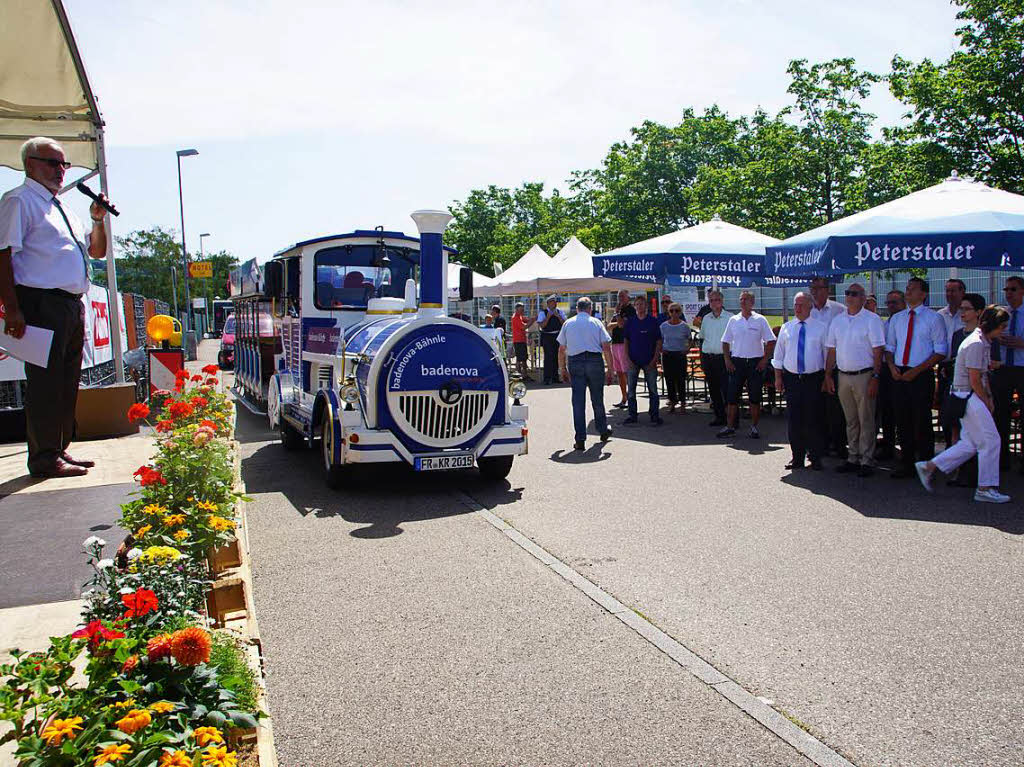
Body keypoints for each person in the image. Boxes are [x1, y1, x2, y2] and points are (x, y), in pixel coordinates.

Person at [0, 138, 110, 478]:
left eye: (64, 165)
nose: (61, 171)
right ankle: (44, 457)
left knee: (66, 382)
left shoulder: (59, 207)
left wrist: (97, 219)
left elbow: (97, 252)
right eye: (52, 163)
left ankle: (59, 448)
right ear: (29, 164)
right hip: (40, 301)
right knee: (45, 383)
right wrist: (13, 308)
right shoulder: (20, 201)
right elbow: (4, 254)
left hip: (70, 304)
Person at [914, 305, 1011, 503]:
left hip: (966, 396)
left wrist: (988, 398)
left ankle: (929, 466)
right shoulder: (976, 343)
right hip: (968, 396)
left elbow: (980, 377)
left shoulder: (980, 341)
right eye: (1002, 327)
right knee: (991, 441)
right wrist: (988, 401)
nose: (1003, 331)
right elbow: (976, 380)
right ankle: (985, 488)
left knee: (970, 443)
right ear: (994, 325)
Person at [885, 277, 947, 479]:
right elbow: (890, 348)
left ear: (924, 293)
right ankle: (907, 462)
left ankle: (926, 464)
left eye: (912, 289)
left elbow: (940, 351)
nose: (908, 292)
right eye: (907, 288)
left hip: (920, 374)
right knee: (902, 420)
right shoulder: (897, 318)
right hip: (899, 373)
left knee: (922, 420)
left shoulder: (933, 318)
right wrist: (893, 367)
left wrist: (917, 370)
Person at [825, 283, 886, 477]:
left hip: (864, 375)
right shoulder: (838, 320)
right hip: (843, 375)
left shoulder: (872, 320)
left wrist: (876, 377)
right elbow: (831, 350)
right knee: (850, 420)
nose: (849, 297)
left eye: (854, 294)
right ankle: (853, 456)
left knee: (866, 419)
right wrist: (827, 375)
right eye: (847, 293)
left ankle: (866, 459)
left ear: (863, 297)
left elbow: (878, 351)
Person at [773, 292, 827, 471]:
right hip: (792, 378)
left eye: (802, 304)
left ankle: (815, 457)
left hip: (813, 378)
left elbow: (827, 357)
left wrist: (827, 378)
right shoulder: (787, 328)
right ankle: (797, 457)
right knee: (794, 419)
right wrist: (778, 377)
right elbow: (778, 355)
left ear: (810, 306)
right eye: (795, 304)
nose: (797, 308)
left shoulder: (821, 328)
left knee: (813, 418)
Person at [557, 297, 614, 450]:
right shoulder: (596, 322)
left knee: (578, 402)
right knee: (597, 399)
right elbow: (606, 347)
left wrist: (562, 368)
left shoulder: (568, 323)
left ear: (577, 309)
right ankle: (602, 430)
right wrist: (611, 369)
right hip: (595, 361)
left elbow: (561, 349)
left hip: (575, 361)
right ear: (590, 309)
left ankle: (580, 439)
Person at [942, 293, 987, 487]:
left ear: (978, 312)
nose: (962, 312)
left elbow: (986, 365)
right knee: (955, 431)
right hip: (957, 388)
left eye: (967, 309)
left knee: (975, 434)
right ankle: (957, 471)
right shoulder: (957, 335)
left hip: (974, 391)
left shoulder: (981, 337)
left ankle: (974, 474)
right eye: (961, 309)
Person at [718, 290, 775, 439]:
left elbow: (771, 341)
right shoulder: (733, 320)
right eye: (741, 299)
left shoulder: (760, 320)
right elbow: (725, 341)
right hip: (737, 362)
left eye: (746, 299)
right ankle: (730, 427)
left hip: (755, 362)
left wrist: (764, 360)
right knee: (732, 397)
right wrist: (727, 360)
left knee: (754, 397)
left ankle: (754, 428)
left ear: (753, 302)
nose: (743, 302)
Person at [809, 277, 848, 458]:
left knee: (836, 411)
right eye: (812, 288)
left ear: (827, 290)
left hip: (835, 367)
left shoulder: (840, 311)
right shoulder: (807, 311)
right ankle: (820, 445)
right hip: (814, 368)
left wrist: (829, 373)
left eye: (819, 288)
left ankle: (839, 446)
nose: (815, 291)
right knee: (816, 410)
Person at [991, 275, 1024, 472]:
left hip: (1022, 367)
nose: (1009, 293)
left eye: (1013, 289)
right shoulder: (1003, 314)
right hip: (1003, 368)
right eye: (1006, 290)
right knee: (1000, 414)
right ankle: (1002, 459)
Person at [876, 289, 906, 460]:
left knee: (902, 410)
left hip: (903, 369)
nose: (890, 306)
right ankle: (888, 445)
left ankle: (906, 445)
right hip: (886, 369)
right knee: (886, 409)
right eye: (888, 303)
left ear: (903, 303)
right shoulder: (885, 324)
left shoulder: (908, 321)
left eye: (894, 302)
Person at [623, 295, 663, 425]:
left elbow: (658, 341)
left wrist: (655, 359)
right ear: (635, 307)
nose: (640, 307)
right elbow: (626, 341)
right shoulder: (630, 322)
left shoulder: (653, 321)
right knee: (631, 391)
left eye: (642, 304)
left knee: (653, 390)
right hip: (633, 361)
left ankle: (654, 415)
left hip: (649, 360)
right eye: (637, 304)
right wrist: (627, 358)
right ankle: (632, 415)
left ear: (646, 306)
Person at [936, 278, 966, 446]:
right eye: (947, 291)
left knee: (961, 412)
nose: (949, 294)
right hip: (945, 367)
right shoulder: (940, 315)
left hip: (964, 368)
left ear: (962, 292)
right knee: (945, 410)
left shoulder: (967, 314)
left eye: (953, 291)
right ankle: (950, 446)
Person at [697, 290, 729, 426]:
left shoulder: (730, 318)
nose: (714, 303)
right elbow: (702, 337)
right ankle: (719, 417)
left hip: (724, 358)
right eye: (711, 300)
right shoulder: (706, 318)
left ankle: (732, 418)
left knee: (727, 390)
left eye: (716, 300)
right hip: (708, 357)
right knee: (713, 389)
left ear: (721, 302)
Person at [659, 302, 691, 412]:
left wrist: (687, 349)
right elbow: (659, 340)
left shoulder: (685, 326)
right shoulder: (663, 326)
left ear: (680, 312)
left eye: (677, 310)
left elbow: (690, 339)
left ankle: (682, 403)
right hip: (668, 355)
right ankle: (672, 402)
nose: (674, 313)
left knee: (681, 380)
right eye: (671, 311)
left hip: (680, 355)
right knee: (669, 380)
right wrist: (660, 349)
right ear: (668, 312)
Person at [607, 289, 636, 408]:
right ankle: (624, 398)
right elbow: (609, 326)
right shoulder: (617, 311)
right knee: (619, 372)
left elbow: (621, 324)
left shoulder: (630, 310)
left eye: (622, 296)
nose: (620, 299)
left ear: (628, 297)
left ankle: (631, 398)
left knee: (626, 372)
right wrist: (617, 319)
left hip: (625, 344)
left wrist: (618, 315)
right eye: (619, 297)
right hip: (615, 343)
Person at [537, 295, 566, 385]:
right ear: (548, 304)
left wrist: (558, 317)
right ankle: (547, 378)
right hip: (547, 336)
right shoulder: (543, 313)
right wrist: (548, 317)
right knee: (548, 357)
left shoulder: (560, 312)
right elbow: (542, 325)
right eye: (552, 302)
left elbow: (565, 323)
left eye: (555, 302)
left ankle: (555, 377)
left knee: (556, 357)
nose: (555, 304)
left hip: (557, 336)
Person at [510, 302, 531, 380]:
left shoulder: (519, 316)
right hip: (518, 340)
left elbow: (524, 320)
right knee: (519, 359)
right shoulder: (516, 317)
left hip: (521, 340)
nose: (523, 311)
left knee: (524, 358)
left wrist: (529, 319)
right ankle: (519, 375)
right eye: (521, 310)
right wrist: (531, 321)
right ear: (516, 309)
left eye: (523, 310)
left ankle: (524, 375)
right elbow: (523, 327)